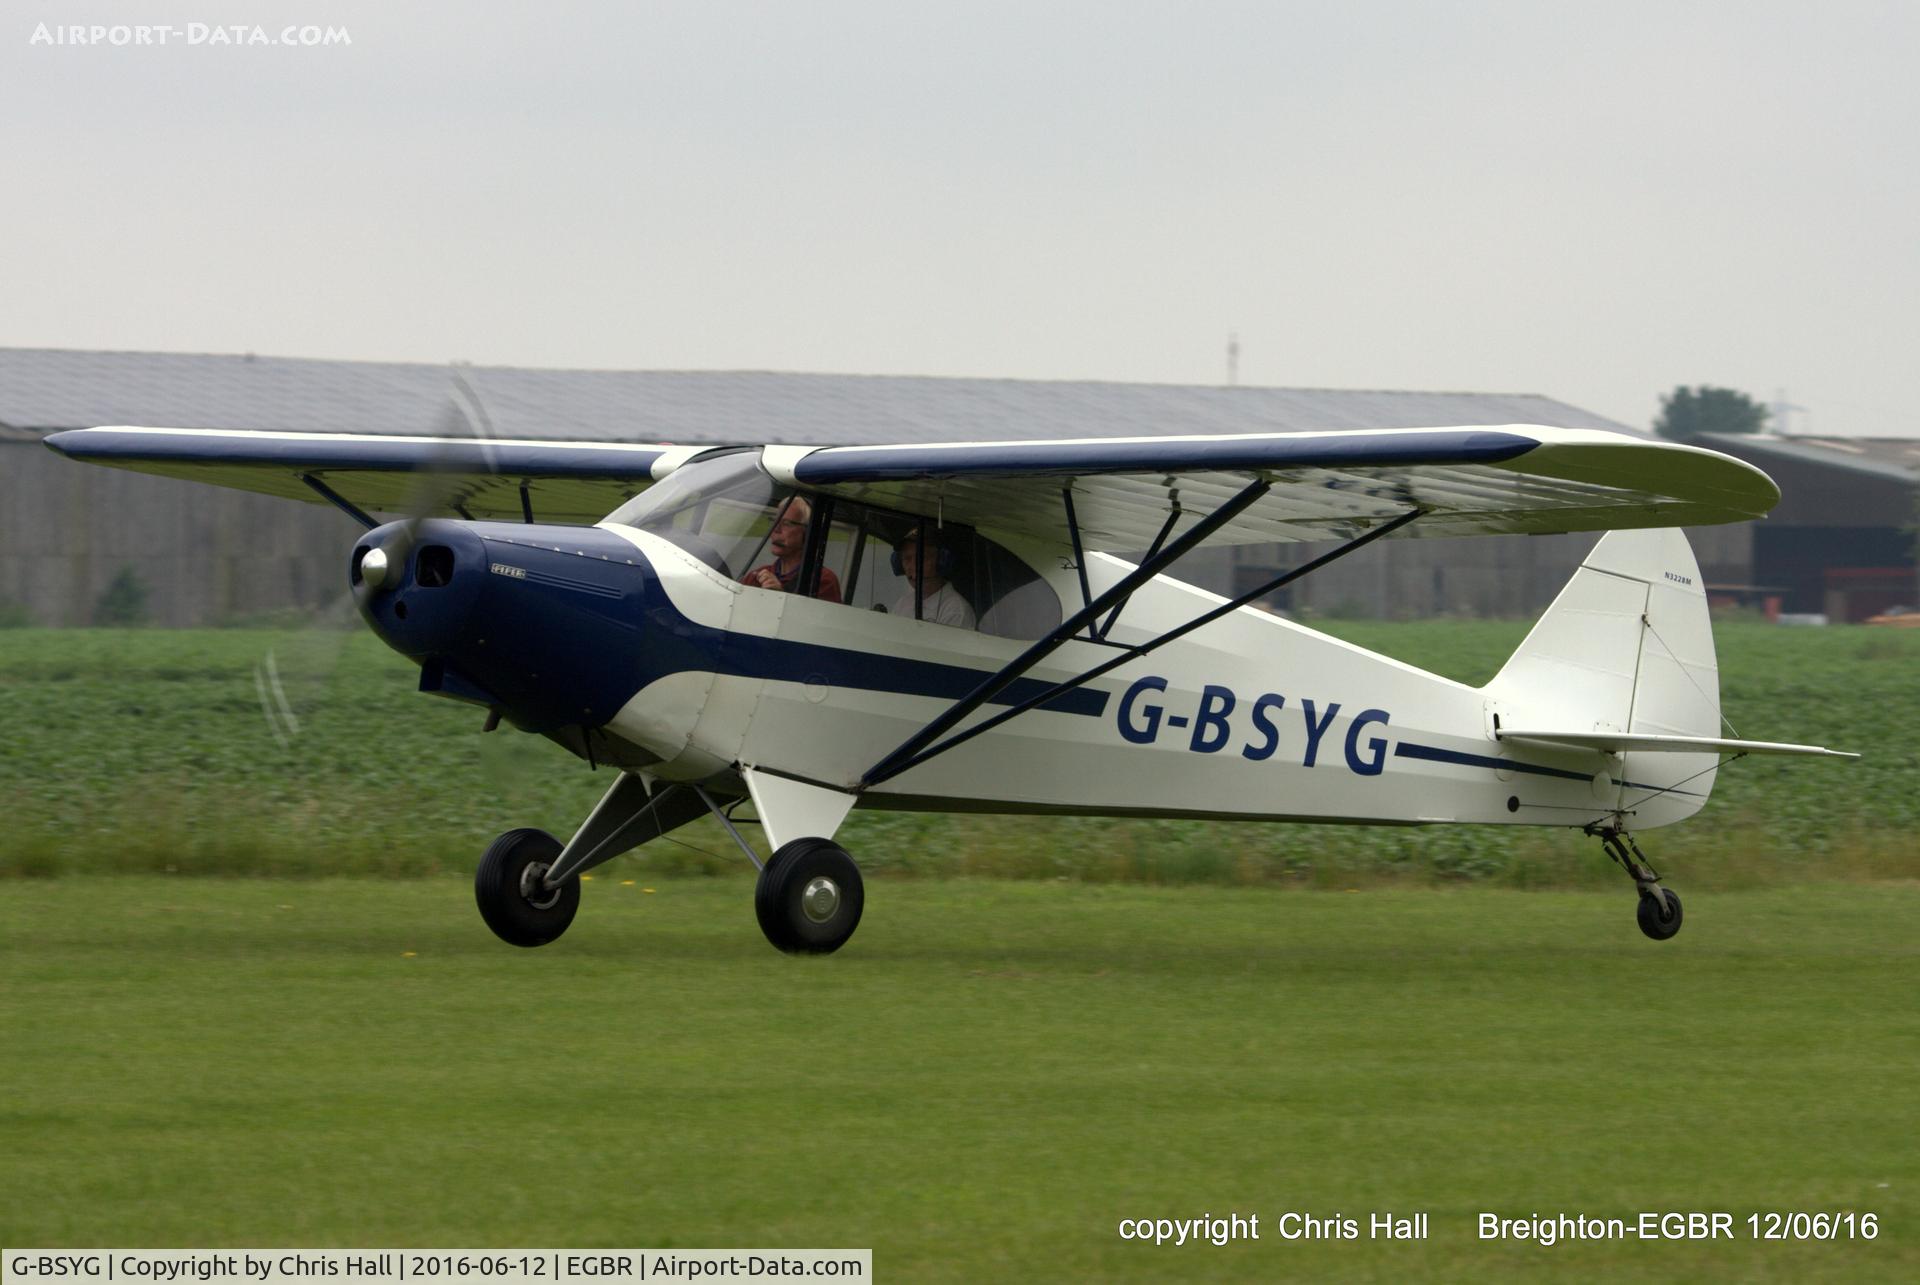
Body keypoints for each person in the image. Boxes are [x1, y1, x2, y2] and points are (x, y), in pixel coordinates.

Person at [742, 495, 841, 602]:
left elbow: (815, 618)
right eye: (775, 521)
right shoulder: (755, 577)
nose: (776, 529)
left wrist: (779, 595)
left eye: (787, 523)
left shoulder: (822, 580)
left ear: (808, 533)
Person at [890, 530, 976, 629]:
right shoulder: (903, 603)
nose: (913, 566)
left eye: (921, 557)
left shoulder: (956, 611)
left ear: (941, 561)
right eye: (907, 558)